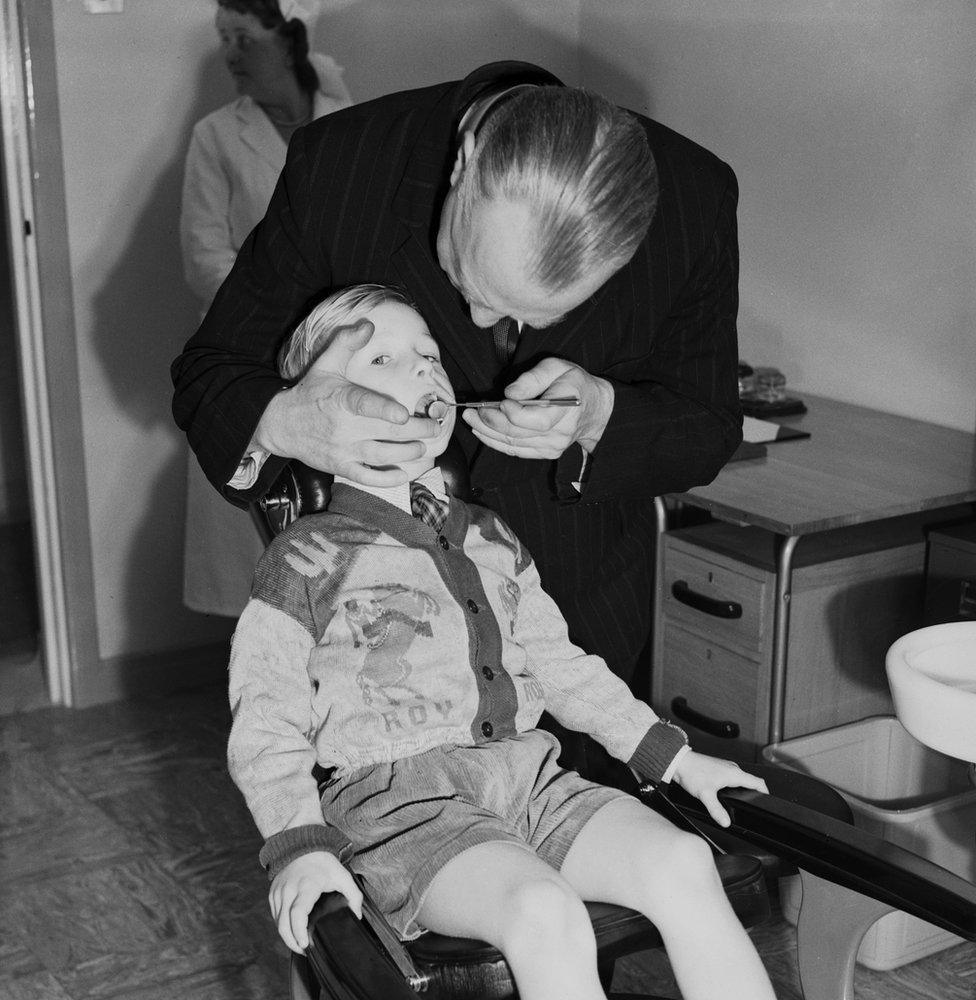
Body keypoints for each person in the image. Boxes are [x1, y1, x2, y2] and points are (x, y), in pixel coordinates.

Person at [173, 62, 742, 774]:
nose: (481, 321)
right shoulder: (343, 167)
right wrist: (286, 421)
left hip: (580, 642)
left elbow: (709, 427)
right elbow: (209, 373)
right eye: (472, 283)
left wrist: (601, 414)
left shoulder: (696, 200)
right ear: (466, 164)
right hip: (375, 678)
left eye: (536, 317)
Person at [227, 284, 774, 1000]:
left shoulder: (492, 537)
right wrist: (298, 845)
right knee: (546, 913)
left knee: (683, 863)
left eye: (429, 354)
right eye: (383, 358)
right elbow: (265, 717)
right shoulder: (307, 557)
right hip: (403, 809)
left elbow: (558, 664)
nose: (423, 369)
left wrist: (673, 757)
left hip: (531, 780)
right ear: (320, 408)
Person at [179, 0, 353, 617]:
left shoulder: (353, 123)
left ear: (290, 39)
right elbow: (203, 258)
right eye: (222, 38)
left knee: (342, 566)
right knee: (257, 576)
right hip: (248, 361)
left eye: (242, 38)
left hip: (343, 356)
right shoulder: (217, 137)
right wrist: (289, 323)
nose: (229, 53)